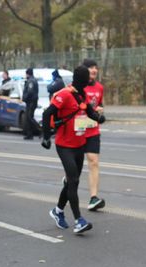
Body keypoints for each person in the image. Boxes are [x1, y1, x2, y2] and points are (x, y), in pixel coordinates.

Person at [42, 65, 105, 235]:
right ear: (82, 80)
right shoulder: (64, 95)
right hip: (64, 145)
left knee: (71, 181)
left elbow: (89, 111)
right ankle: (79, 220)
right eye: (87, 78)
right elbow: (47, 114)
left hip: (79, 144)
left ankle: (58, 211)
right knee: (74, 180)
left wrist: (99, 118)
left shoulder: (81, 94)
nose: (90, 81)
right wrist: (46, 137)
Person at [82, 59, 106, 211]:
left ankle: (93, 197)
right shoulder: (77, 87)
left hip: (93, 129)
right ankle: (69, 184)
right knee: (74, 168)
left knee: (93, 161)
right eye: (91, 67)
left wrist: (100, 110)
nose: (94, 70)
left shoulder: (99, 87)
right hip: (77, 131)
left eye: (96, 67)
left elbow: (100, 104)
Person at [22, 67, 38, 140]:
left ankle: (41, 130)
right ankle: (29, 134)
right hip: (31, 101)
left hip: (31, 102)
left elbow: (30, 92)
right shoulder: (31, 80)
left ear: (28, 73)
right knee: (28, 118)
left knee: (30, 118)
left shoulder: (31, 81)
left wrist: (25, 98)